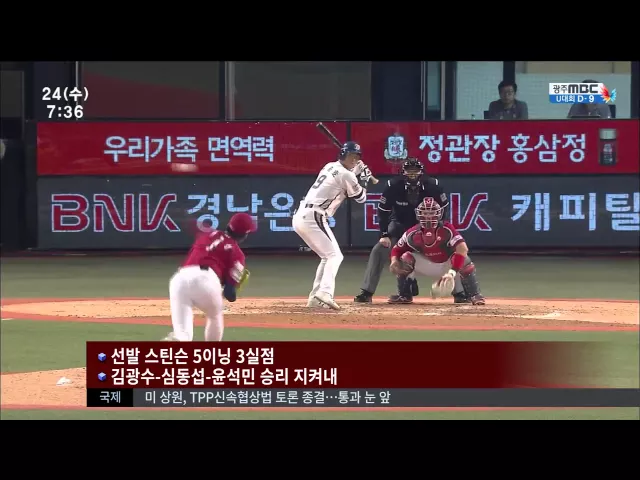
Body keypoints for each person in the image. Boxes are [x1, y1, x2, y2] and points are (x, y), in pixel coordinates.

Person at [354, 158, 450, 304]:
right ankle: (367, 292)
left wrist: (437, 232)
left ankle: (462, 294)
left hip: (426, 228)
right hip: (400, 227)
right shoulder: (393, 186)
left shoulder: (433, 186)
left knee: (451, 250)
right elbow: (383, 212)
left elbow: (444, 211)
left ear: (422, 172)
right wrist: (384, 234)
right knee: (379, 250)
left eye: (415, 171)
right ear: (403, 173)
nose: (412, 174)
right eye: (409, 171)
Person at [293, 141, 372, 310]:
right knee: (335, 256)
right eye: (351, 156)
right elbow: (361, 198)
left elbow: (343, 177)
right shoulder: (347, 175)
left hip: (302, 215)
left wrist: (356, 172)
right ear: (343, 155)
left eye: (356, 157)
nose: (354, 159)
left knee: (327, 256)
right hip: (314, 216)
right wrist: (364, 179)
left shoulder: (330, 166)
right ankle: (325, 293)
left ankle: (315, 298)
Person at [163, 212, 257, 341]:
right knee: (215, 315)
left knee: (182, 334)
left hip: (180, 279)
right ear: (244, 234)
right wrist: (232, 290)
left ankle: (178, 340)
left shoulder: (206, 235)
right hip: (206, 279)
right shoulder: (237, 254)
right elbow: (229, 293)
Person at [389, 197, 486, 305]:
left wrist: (452, 272)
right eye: (425, 213)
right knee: (405, 258)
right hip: (427, 265)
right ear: (419, 214)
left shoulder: (447, 229)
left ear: (438, 214)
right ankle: (404, 295)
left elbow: (463, 248)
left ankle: (474, 295)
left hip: (448, 265)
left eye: (431, 213)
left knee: (465, 259)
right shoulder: (412, 233)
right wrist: (394, 261)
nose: (428, 216)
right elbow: (397, 249)